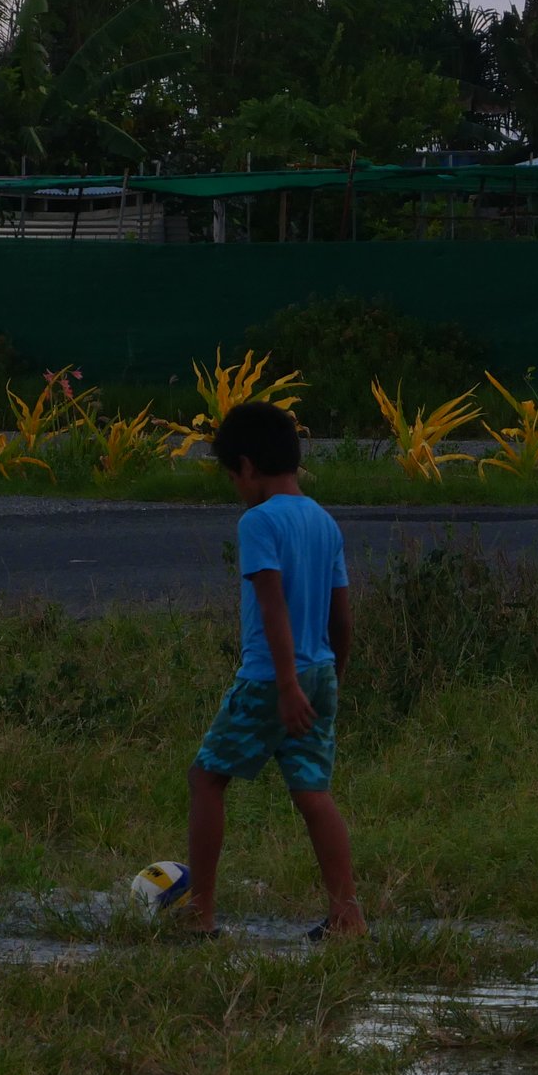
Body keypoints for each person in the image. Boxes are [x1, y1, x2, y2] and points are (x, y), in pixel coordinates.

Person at [183, 400, 366, 940]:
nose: (235, 488)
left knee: (207, 777)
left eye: (231, 476)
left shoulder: (258, 522)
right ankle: (347, 915)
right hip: (321, 673)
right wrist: (332, 674)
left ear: (246, 466)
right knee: (313, 793)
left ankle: (201, 916)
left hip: (271, 680)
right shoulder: (323, 520)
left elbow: (271, 605)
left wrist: (286, 685)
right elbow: (341, 612)